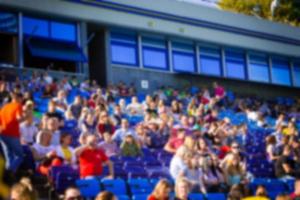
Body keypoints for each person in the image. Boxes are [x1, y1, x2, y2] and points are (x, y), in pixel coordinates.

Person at [0, 92, 26, 173]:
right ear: (19, 98)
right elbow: (19, 119)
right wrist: (26, 117)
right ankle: (9, 173)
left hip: (2, 134)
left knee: (9, 157)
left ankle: (8, 176)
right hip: (12, 134)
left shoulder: (5, 106)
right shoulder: (18, 105)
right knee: (20, 156)